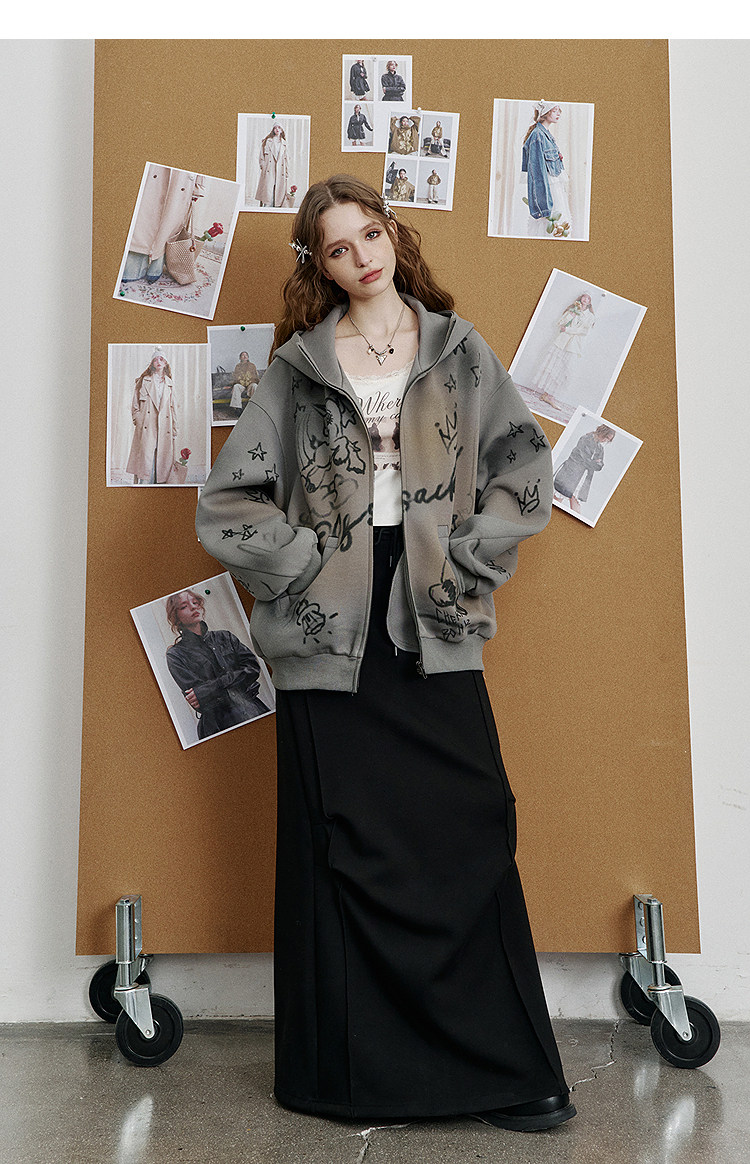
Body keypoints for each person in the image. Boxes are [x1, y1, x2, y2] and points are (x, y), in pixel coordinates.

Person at [195, 174, 575, 1132]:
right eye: (338, 246)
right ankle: (353, 1079)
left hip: (431, 609)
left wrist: (473, 557)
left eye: (370, 233)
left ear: (393, 235)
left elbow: (524, 465)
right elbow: (228, 505)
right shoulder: (297, 370)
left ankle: (507, 1067)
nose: (362, 257)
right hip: (329, 630)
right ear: (319, 266)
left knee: (471, 824)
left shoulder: (457, 349)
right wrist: (305, 567)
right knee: (345, 846)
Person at [165, 589, 270, 740]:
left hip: (252, 709)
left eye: (195, 602)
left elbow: (253, 669)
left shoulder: (225, 636)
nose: (193, 607)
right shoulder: (175, 655)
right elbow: (199, 700)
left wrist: (212, 687)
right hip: (218, 724)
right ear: (176, 617)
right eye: (184, 606)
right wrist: (236, 679)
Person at [122, 166, 205, 284]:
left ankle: (155, 268)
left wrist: (197, 187)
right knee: (143, 217)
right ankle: (132, 268)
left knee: (169, 224)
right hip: (155, 170)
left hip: (183, 178)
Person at [125, 347, 178, 485]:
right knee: (146, 457)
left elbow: (173, 408)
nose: (158, 362)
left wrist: (174, 429)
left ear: (165, 363)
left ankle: (159, 486)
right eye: (155, 359)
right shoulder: (144, 381)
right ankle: (145, 484)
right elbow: (135, 403)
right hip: (147, 424)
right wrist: (138, 419)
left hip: (164, 424)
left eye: (161, 359)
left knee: (162, 456)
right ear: (152, 363)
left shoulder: (170, 383)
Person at [533, 293, 596, 410]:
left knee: (565, 370)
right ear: (580, 298)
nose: (585, 299)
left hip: (573, 345)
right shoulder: (573, 309)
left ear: (590, 302)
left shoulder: (590, 316)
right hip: (561, 342)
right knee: (554, 366)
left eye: (588, 298)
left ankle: (550, 396)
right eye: (584, 297)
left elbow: (583, 331)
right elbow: (560, 323)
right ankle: (546, 395)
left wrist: (567, 329)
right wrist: (571, 315)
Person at [522, 101, 572, 238]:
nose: (558, 113)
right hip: (547, 190)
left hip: (554, 189)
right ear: (545, 113)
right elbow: (537, 174)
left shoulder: (546, 134)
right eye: (554, 110)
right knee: (546, 227)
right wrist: (543, 207)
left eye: (559, 110)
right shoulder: (537, 136)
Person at [554, 423, 615, 514]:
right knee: (558, 499)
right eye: (606, 437)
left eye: (608, 440)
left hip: (583, 479)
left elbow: (600, 466)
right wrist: (593, 462)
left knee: (576, 504)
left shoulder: (600, 448)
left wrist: (593, 463)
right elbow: (580, 457)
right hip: (570, 475)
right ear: (602, 432)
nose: (605, 440)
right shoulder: (585, 439)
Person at [256, 124, 289, 208]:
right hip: (269, 169)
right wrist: (263, 166)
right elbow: (261, 156)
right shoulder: (268, 141)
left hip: (280, 170)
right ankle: (266, 206)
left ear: (282, 130)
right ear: (273, 130)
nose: (277, 129)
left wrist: (286, 172)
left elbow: (286, 159)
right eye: (275, 128)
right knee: (268, 189)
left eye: (279, 127)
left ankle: (276, 207)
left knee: (278, 190)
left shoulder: (284, 143)